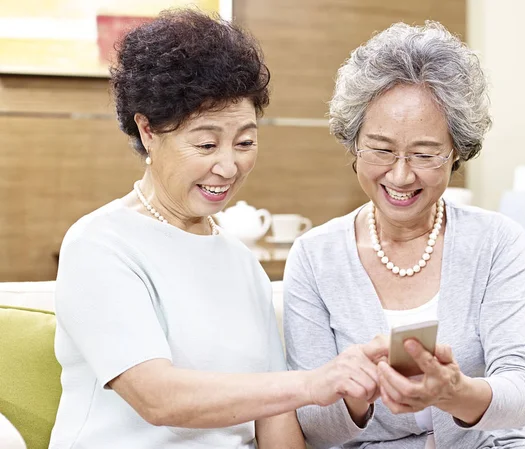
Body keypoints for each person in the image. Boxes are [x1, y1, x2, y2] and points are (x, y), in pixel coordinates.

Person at [48, 9, 388, 449]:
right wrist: (314, 384)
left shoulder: (242, 262)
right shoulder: (99, 245)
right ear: (148, 130)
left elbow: (275, 418)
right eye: (206, 144)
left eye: (245, 142)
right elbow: (158, 398)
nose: (229, 166)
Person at [283, 21, 525, 449]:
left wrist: (454, 392)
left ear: (456, 154)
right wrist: (354, 393)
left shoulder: (498, 242)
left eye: (425, 154)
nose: (401, 174)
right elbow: (314, 427)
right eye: (381, 149)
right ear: (354, 144)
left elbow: (521, 393)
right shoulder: (314, 257)